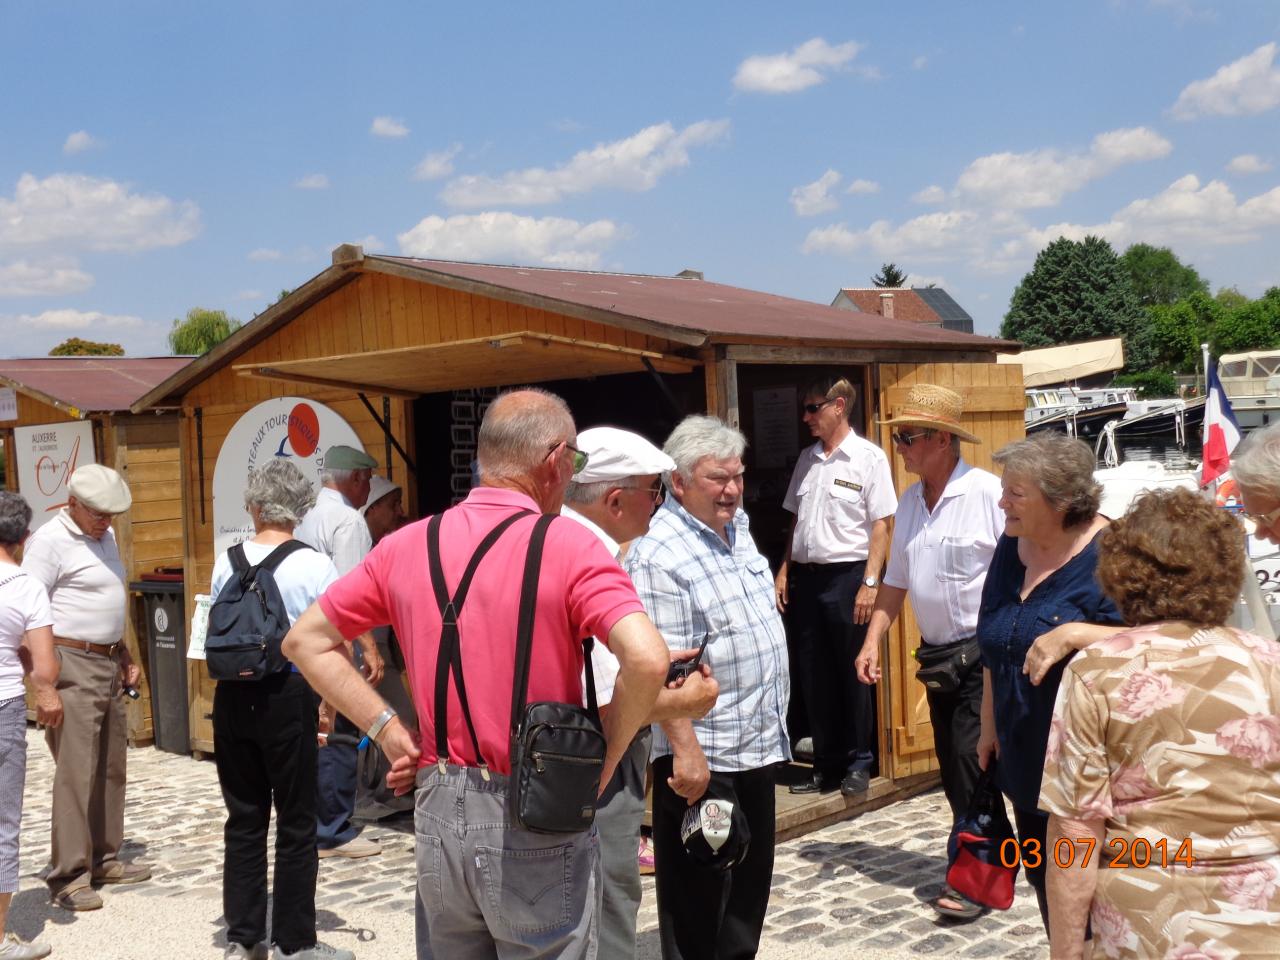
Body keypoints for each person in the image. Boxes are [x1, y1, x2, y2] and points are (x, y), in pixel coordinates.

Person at [283, 388, 691, 960]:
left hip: (437, 802)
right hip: (537, 805)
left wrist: (389, 732)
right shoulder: (568, 545)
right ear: (554, 462)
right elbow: (647, 659)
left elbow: (304, 640)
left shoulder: (407, 543)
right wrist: (606, 760)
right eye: (573, 463)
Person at [1041, 487, 1280, 959]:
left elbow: (1076, 835)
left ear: (1122, 573)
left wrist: (1066, 952)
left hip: (1148, 925)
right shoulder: (1271, 663)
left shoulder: (1097, 672)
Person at [626, 414, 791, 960]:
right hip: (706, 758)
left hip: (757, 745)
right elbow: (661, 671)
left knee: (746, 897)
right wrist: (685, 754)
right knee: (699, 899)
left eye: (737, 475)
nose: (732, 489)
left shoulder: (738, 528)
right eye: (718, 478)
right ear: (678, 482)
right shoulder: (660, 553)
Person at [563, 425, 718, 959]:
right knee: (606, 903)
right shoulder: (593, 560)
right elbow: (609, 699)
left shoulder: (555, 541)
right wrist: (686, 701)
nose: (659, 504)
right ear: (614, 500)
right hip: (595, 759)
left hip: (560, 758)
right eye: (653, 491)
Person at [854, 384, 1003, 921]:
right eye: (897, 437)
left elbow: (1020, 572)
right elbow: (895, 581)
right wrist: (873, 638)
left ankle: (975, 880)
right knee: (960, 769)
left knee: (969, 767)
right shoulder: (909, 502)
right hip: (939, 661)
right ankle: (994, 865)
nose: (900, 446)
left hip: (983, 658)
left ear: (943, 440)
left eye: (909, 437)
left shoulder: (988, 494)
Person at [974, 433, 1123, 932]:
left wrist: (1078, 633)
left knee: (1101, 910)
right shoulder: (1010, 548)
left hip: (1096, 782)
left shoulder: (1117, 555)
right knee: (1052, 899)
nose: (1002, 502)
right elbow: (996, 644)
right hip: (1026, 769)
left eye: (1015, 492)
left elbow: (1166, 643)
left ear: (1060, 501)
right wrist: (988, 729)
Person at [210, 460, 351, 960]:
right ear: (301, 509)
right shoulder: (315, 564)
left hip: (232, 696)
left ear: (255, 505)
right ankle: (295, 942)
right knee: (296, 821)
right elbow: (335, 645)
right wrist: (329, 708)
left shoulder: (226, 559)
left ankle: (244, 939)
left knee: (243, 818)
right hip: (290, 695)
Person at [22, 464, 149, 911]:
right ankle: (69, 874)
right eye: (98, 512)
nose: (106, 520)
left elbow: (110, 598)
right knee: (76, 771)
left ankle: (104, 856)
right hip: (70, 660)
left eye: (111, 514)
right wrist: (44, 683)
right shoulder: (49, 543)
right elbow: (27, 613)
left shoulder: (104, 536)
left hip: (108, 657)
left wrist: (127, 656)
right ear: (71, 503)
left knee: (111, 764)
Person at [776, 376, 896, 796]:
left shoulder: (869, 458)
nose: (806, 417)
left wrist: (869, 582)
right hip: (807, 579)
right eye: (805, 409)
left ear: (839, 406)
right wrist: (785, 568)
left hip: (848, 577)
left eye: (813, 408)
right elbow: (795, 519)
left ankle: (858, 761)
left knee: (852, 672)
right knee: (812, 672)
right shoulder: (808, 459)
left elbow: (882, 523)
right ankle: (825, 764)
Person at [294, 445, 385, 860]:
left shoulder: (307, 516)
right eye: (366, 478)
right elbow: (351, 595)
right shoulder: (349, 521)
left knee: (317, 733)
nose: (368, 486)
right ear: (355, 479)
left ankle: (317, 821)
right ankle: (333, 830)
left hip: (305, 639)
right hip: (335, 641)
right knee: (341, 732)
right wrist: (369, 649)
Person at [0, 493, 60, 959]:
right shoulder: (23, 586)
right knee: (3, 823)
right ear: (22, 540)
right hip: (3, 705)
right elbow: (44, 664)